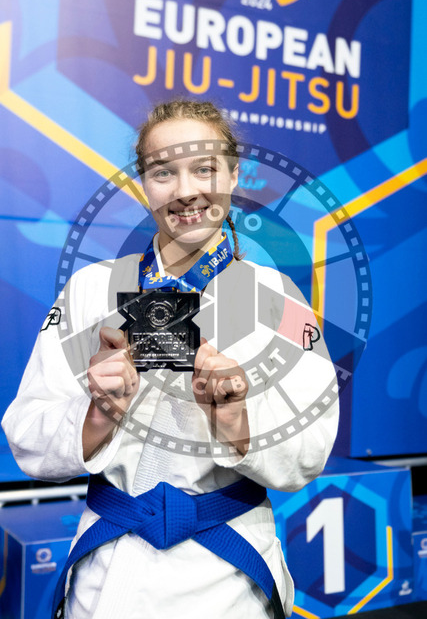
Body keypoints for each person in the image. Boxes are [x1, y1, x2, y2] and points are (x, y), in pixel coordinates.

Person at [2, 99, 339, 619]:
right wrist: (97, 414)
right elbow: (26, 431)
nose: (185, 191)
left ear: (234, 175)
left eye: (204, 169)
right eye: (163, 172)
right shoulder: (89, 289)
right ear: (143, 184)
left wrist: (237, 420)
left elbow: (311, 448)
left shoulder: (281, 301)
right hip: (107, 577)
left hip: (230, 583)